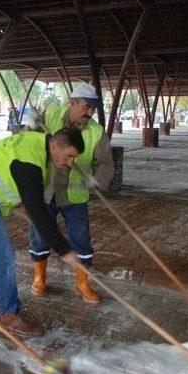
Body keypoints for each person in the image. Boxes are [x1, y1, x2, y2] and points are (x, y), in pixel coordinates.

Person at [0, 128, 85, 337]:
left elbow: (30, 202)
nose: (70, 163)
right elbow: (38, 210)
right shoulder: (30, 162)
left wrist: (37, 220)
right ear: (56, 145)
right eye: (69, 156)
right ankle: (9, 316)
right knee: (4, 255)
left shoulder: (38, 144)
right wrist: (64, 250)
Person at [28, 83, 114, 303]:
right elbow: (29, 139)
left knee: (81, 240)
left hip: (74, 197)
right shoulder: (51, 115)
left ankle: (83, 284)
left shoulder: (96, 132)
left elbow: (106, 164)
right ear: (73, 103)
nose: (90, 113)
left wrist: (96, 180)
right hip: (46, 191)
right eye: (87, 107)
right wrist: (32, 123)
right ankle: (40, 278)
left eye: (93, 109)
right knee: (40, 235)